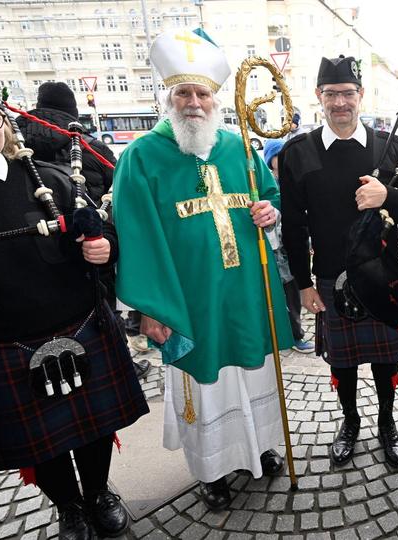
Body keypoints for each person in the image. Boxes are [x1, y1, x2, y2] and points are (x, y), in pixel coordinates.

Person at [0, 65, 149, 540]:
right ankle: (69, 506)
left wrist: (106, 247)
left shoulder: (50, 181)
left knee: (94, 430)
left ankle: (99, 493)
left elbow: (102, 235)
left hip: (82, 330)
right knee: (44, 447)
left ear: (5, 124)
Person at [112, 28, 294, 511]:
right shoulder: (141, 157)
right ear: (168, 98)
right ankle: (211, 469)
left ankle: (258, 447)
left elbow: (269, 198)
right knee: (207, 386)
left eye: (202, 93)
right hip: (189, 300)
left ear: (215, 100)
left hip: (245, 292)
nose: (194, 102)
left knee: (253, 375)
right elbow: (137, 238)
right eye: (184, 93)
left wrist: (269, 213)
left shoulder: (238, 147)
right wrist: (150, 309)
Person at [278, 55, 398, 469]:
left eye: (347, 93)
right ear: (318, 97)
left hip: (383, 273)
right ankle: (350, 422)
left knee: (384, 358)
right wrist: (304, 284)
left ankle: (387, 424)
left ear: (361, 95)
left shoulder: (392, 148)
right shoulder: (298, 153)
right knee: (343, 360)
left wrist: (388, 197)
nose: (339, 102)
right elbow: (293, 226)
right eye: (331, 94)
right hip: (330, 275)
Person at [15, 81, 151, 379]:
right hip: (92, 242)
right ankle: (118, 365)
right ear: (72, 109)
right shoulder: (89, 146)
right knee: (101, 308)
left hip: (34, 252)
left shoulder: (12, 144)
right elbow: (119, 194)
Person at [263, 138, 314, 353]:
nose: (282, 158)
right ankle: (277, 336)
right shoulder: (267, 184)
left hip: (289, 247)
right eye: (277, 155)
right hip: (272, 249)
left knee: (292, 292)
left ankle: (296, 334)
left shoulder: (293, 178)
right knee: (274, 295)